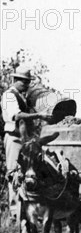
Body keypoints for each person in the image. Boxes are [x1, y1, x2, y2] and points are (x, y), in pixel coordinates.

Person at [1, 65, 51, 217]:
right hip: (14, 138)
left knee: (32, 169)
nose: (27, 85)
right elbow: (16, 116)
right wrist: (39, 116)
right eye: (24, 82)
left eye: (28, 82)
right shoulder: (9, 95)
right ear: (15, 80)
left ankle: (31, 205)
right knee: (14, 173)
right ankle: (15, 210)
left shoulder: (22, 96)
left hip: (25, 139)